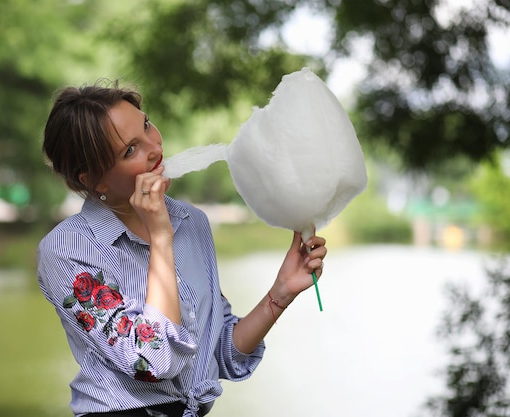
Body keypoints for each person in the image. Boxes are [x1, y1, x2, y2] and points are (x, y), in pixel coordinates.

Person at [37, 80, 327, 417]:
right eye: (130, 150)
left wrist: (281, 292)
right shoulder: (66, 250)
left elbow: (218, 354)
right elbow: (153, 360)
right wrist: (161, 237)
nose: (155, 148)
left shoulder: (191, 222)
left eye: (146, 126)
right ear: (94, 180)